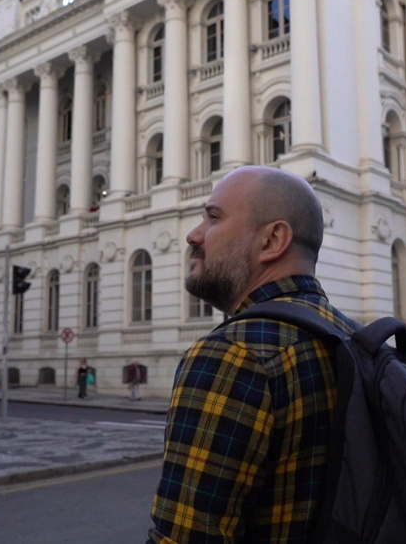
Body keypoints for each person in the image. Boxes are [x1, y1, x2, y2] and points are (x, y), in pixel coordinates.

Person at [148, 166, 359, 543]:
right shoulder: (354, 340)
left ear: (272, 240)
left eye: (213, 218)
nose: (194, 235)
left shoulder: (235, 354)